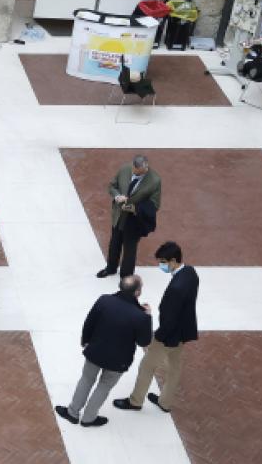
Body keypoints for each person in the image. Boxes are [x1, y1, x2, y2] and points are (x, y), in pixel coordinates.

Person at [56, 275, 153, 428]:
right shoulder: (141, 316)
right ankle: (89, 418)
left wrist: (85, 341)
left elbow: (89, 323)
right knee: (104, 387)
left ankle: (72, 413)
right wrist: (148, 317)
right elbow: (144, 342)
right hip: (118, 360)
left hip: (95, 351)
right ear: (137, 293)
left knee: (86, 380)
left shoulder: (104, 300)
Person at [116, 241, 199, 413]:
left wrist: (157, 337)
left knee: (147, 366)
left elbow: (169, 319)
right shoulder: (191, 273)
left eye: (163, 261)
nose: (161, 265)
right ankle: (165, 402)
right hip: (184, 332)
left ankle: (135, 401)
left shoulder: (176, 288)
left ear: (174, 260)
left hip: (169, 335)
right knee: (175, 368)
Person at [95, 155, 160, 279]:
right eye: (133, 170)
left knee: (130, 248)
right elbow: (112, 186)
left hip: (135, 219)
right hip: (119, 215)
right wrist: (117, 196)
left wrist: (135, 208)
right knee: (114, 243)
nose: (134, 173)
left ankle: (126, 275)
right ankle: (111, 268)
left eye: (138, 172)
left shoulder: (155, 181)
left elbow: (155, 204)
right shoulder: (125, 169)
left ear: (145, 168)